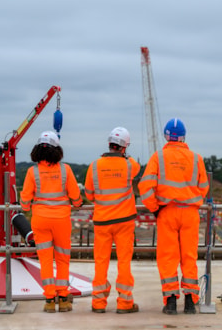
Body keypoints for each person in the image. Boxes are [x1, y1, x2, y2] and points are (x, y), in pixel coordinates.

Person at [138, 118, 208, 315]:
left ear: (166, 136)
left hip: (167, 212)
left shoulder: (158, 157)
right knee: (189, 257)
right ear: (184, 137)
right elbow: (204, 187)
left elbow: (145, 186)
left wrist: (155, 208)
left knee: (168, 257)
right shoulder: (196, 158)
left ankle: (170, 302)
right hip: (190, 213)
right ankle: (189, 302)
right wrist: (193, 200)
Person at [20, 130, 83, 313]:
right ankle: (63, 298)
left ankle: (49, 299)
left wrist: (27, 206)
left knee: (46, 260)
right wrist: (77, 204)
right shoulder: (66, 170)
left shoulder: (33, 172)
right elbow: (75, 197)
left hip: (40, 220)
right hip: (62, 220)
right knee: (62, 259)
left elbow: (24, 202)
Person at [84, 127, 141, 314]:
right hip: (124, 221)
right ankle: (124, 304)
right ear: (124, 147)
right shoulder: (130, 165)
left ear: (109, 144)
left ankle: (98, 303)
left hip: (102, 221)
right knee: (124, 262)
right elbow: (135, 164)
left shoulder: (94, 166)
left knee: (101, 262)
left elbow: (90, 195)